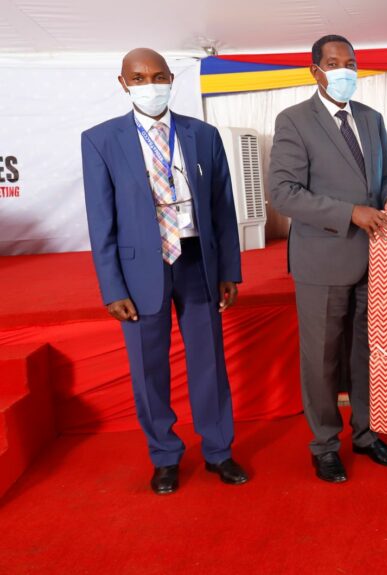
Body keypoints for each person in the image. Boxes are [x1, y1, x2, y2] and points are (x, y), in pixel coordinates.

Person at [81, 48, 249, 495]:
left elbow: (222, 207)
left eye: (158, 76)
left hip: (196, 262)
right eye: (138, 78)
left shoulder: (203, 135)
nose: (150, 84)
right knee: (148, 369)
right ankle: (164, 456)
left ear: (172, 79)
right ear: (123, 84)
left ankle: (218, 450)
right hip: (140, 271)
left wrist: (229, 269)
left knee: (209, 362)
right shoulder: (100, 140)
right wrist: (111, 286)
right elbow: (101, 221)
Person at [269, 35, 387, 483]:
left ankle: (366, 433)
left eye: (350, 62)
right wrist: (349, 213)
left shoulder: (372, 118)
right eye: (333, 63)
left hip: (377, 259)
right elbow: (284, 194)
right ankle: (324, 444)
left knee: (369, 354)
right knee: (323, 357)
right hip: (322, 260)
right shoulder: (294, 121)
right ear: (316, 71)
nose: (344, 70)